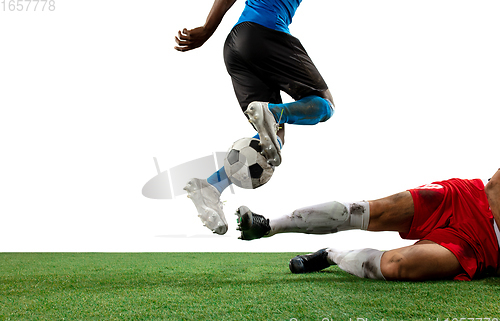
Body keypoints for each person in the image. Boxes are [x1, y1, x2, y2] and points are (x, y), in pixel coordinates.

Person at [175, 0, 335, 235]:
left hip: (237, 44)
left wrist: (208, 29)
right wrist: (207, 28)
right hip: (267, 32)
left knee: (275, 134)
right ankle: (273, 111)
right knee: (324, 104)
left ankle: (210, 187)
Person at [236, 169, 500, 281]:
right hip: (468, 198)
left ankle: (330, 255)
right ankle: (267, 226)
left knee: (398, 266)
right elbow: (495, 187)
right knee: (374, 211)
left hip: (483, 247)